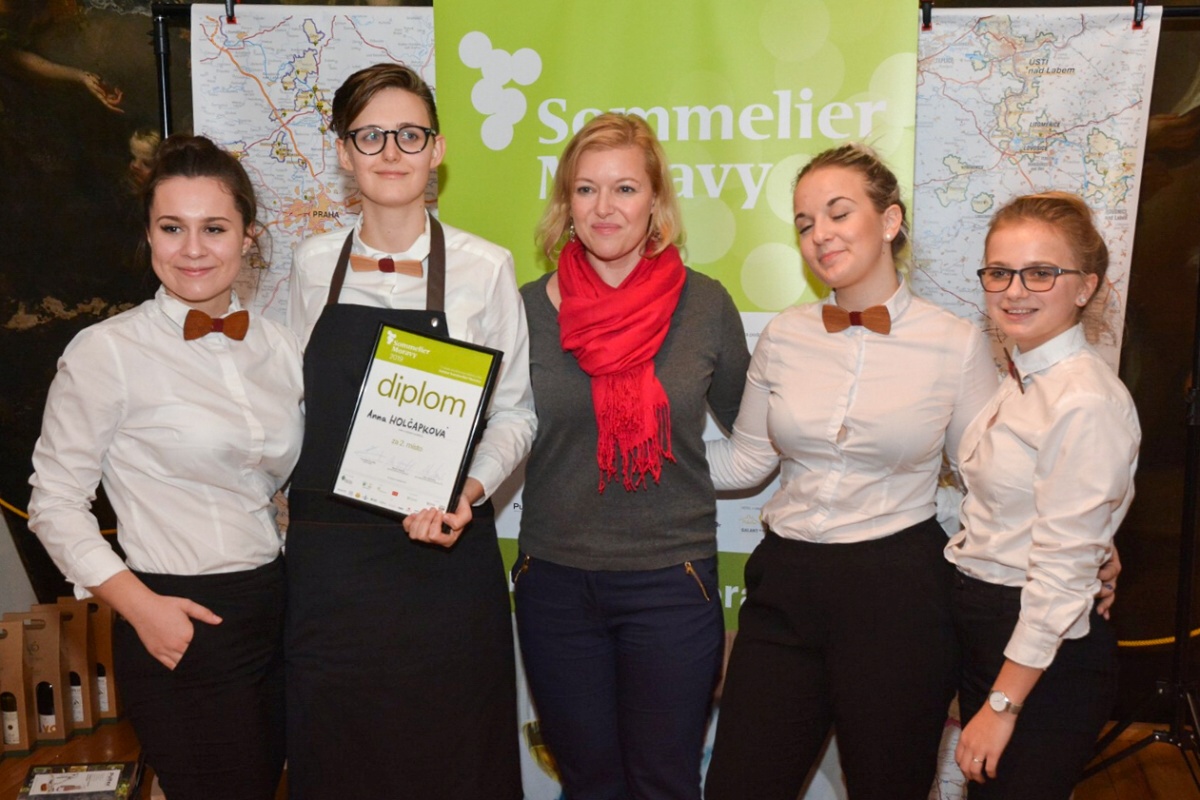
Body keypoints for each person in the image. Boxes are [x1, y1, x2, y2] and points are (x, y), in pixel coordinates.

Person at [702, 143, 1000, 800]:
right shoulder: (784, 335)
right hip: (785, 586)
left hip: (898, 594)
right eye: (805, 223)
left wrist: (1078, 545)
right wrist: (636, 457)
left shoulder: (955, 343)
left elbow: (990, 481)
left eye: (838, 213)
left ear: (890, 220)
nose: (820, 235)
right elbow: (747, 460)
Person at [285, 63, 535, 800]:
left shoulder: (486, 268)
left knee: (455, 761)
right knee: (340, 760)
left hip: (443, 552)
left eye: (409, 134)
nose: (391, 152)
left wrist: (470, 491)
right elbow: (295, 405)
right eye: (370, 135)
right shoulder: (311, 266)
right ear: (343, 151)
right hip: (332, 567)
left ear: (437, 149)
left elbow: (516, 412)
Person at [28, 134, 302, 800]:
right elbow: (54, 503)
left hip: (276, 610)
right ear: (149, 235)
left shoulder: (278, 346)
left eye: (215, 228)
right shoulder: (106, 352)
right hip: (175, 615)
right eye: (172, 227)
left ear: (248, 238)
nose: (193, 248)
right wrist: (142, 609)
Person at [514, 112, 751, 800]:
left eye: (624, 189)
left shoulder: (705, 305)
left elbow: (756, 433)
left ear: (655, 201)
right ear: (566, 203)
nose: (604, 208)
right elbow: (492, 428)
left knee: (663, 783)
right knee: (587, 784)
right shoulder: (522, 308)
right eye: (586, 189)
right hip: (554, 583)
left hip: (670, 583)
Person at [949, 192, 1140, 799]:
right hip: (997, 632)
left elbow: (1059, 573)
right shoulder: (1025, 376)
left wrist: (1002, 705)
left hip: (1044, 658)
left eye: (1040, 273)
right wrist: (1099, 548)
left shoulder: (1083, 399)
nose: (1014, 290)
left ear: (1085, 287)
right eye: (1000, 272)